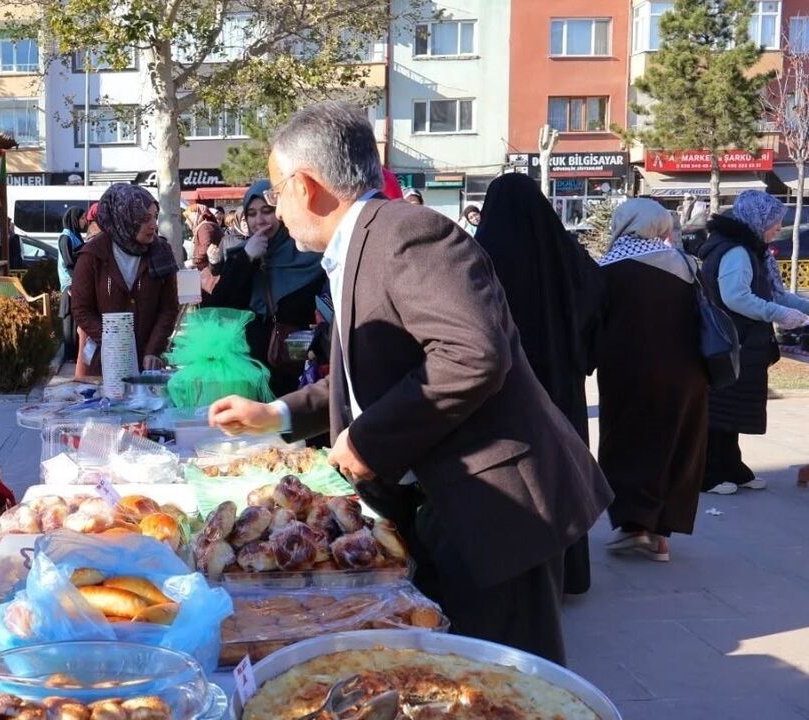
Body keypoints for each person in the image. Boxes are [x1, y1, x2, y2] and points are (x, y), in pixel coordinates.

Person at [207, 102, 610, 665]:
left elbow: (472, 356)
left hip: (494, 509)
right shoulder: (359, 244)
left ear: (306, 186)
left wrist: (369, 441)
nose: (274, 208)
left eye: (276, 191)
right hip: (442, 501)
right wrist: (275, 414)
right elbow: (374, 378)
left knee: (504, 680)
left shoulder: (407, 232)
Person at [474, 172, 604, 596]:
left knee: (522, 482)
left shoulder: (482, 254)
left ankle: (530, 586)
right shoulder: (568, 252)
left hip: (511, 387)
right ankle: (573, 574)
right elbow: (597, 303)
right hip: (561, 383)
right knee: (563, 472)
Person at [596, 199, 708, 563]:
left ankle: (634, 526)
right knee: (676, 444)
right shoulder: (686, 265)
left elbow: (594, 323)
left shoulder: (609, 269)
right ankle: (662, 535)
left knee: (629, 442)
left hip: (629, 373)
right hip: (687, 374)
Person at [697, 190, 809, 494]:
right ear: (758, 221)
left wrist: (799, 308)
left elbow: (773, 293)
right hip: (733, 340)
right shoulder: (737, 252)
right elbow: (736, 297)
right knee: (720, 412)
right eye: (774, 223)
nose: (777, 229)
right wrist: (780, 314)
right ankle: (708, 474)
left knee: (733, 411)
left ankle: (732, 467)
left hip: (740, 342)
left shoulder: (748, 249)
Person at [206, 179, 326, 396]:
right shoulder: (240, 255)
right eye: (251, 214)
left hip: (297, 372)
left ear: (281, 211)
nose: (259, 221)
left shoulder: (309, 255)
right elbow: (219, 307)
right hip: (250, 370)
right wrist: (247, 258)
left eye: (267, 211)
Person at [70, 183, 179, 375]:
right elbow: (81, 309)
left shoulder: (161, 252)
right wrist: (113, 342)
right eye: (144, 219)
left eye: (155, 216)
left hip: (148, 367)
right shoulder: (93, 255)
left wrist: (153, 350)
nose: (153, 225)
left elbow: (168, 308)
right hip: (105, 365)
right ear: (125, 218)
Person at [57, 206, 89, 360]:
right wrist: (74, 285)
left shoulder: (75, 236)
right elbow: (70, 263)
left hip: (76, 284)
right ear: (75, 220)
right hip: (70, 286)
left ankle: (76, 354)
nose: (85, 221)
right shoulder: (66, 238)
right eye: (82, 218)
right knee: (70, 323)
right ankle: (69, 356)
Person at [187, 203, 224, 297]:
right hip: (210, 269)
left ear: (197, 215)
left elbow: (206, 247)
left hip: (209, 271)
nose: (187, 221)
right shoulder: (206, 226)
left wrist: (194, 261)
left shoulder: (205, 226)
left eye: (189, 216)